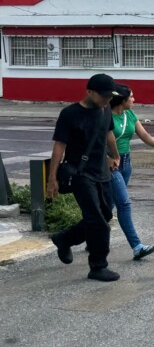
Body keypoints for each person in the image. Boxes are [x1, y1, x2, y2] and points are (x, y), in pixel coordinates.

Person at [47, 73, 122, 282]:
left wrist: (114, 154)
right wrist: (52, 178)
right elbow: (59, 147)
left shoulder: (105, 109)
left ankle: (64, 239)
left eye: (110, 96)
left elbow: (108, 133)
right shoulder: (70, 114)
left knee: (104, 215)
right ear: (89, 92)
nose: (107, 100)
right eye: (104, 95)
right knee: (97, 221)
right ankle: (98, 266)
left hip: (102, 172)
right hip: (80, 174)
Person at [109, 85, 154, 260]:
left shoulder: (130, 115)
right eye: (131, 97)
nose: (134, 100)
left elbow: (143, 134)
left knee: (108, 206)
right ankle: (137, 247)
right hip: (111, 165)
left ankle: (88, 236)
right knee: (124, 204)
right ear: (122, 100)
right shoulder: (106, 117)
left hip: (126, 164)